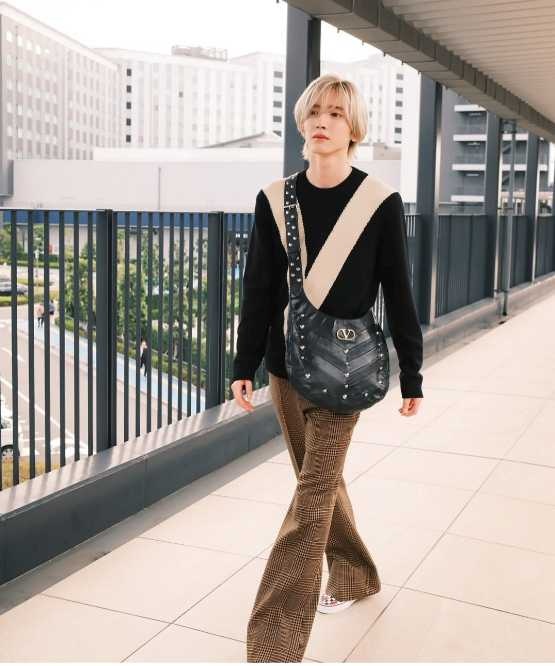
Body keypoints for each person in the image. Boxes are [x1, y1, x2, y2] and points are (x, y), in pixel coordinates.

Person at [230, 73, 424, 662]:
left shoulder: (379, 202)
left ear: (353, 127)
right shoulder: (274, 199)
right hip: (286, 368)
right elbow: (259, 287)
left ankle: (273, 646)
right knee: (320, 482)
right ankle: (356, 574)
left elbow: (399, 289)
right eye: (316, 110)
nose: (323, 121)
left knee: (310, 502)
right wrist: (244, 363)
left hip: (347, 371)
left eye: (337, 113)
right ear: (302, 120)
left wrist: (412, 373)